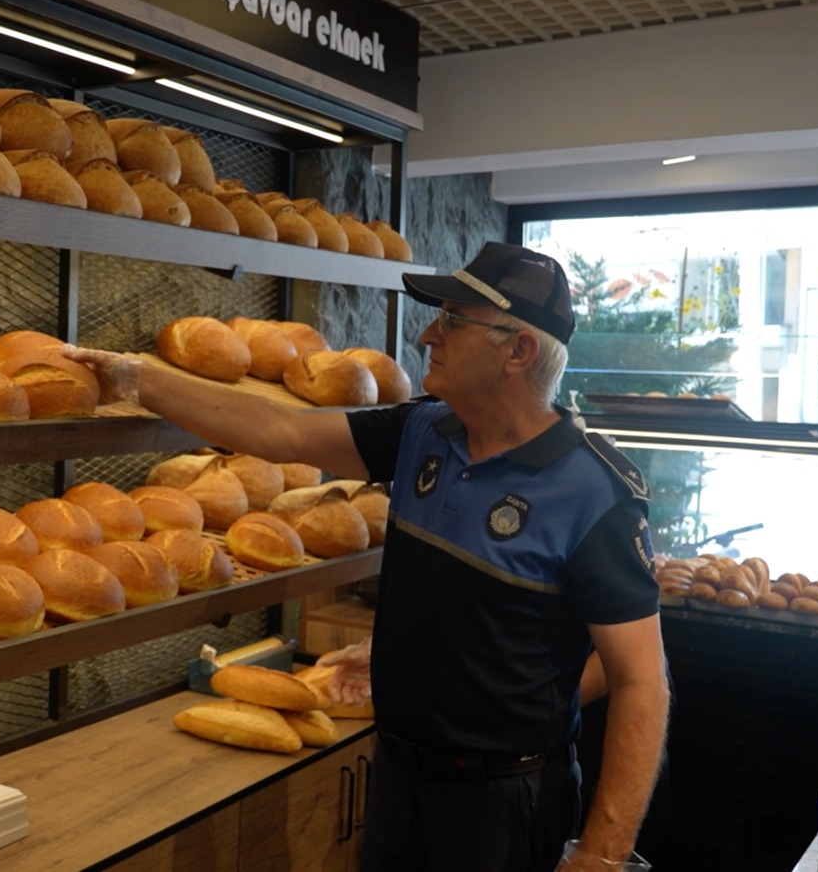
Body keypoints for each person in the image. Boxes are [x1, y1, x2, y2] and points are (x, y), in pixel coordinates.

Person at [62, 241, 669, 872]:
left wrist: (602, 854)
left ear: (518, 351)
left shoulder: (595, 492)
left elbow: (641, 680)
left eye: (453, 322)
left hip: (503, 802)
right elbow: (279, 430)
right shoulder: (423, 431)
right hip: (397, 777)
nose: (429, 335)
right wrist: (137, 379)